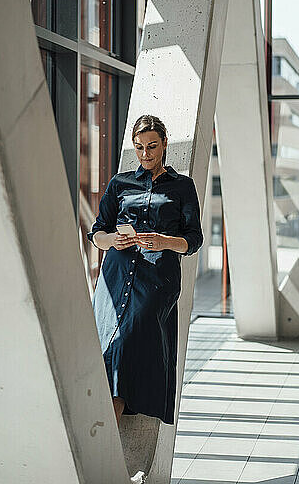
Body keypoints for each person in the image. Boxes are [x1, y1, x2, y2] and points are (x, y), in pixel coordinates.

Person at [87, 114, 203, 431]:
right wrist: (115, 239)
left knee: (125, 347)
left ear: (164, 144)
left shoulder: (182, 187)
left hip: (155, 285)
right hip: (114, 279)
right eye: (139, 147)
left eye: (152, 146)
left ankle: (103, 451)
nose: (146, 154)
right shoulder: (119, 183)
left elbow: (194, 240)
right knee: (107, 352)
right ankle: (101, 451)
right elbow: (97, 234)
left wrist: (164, 240)